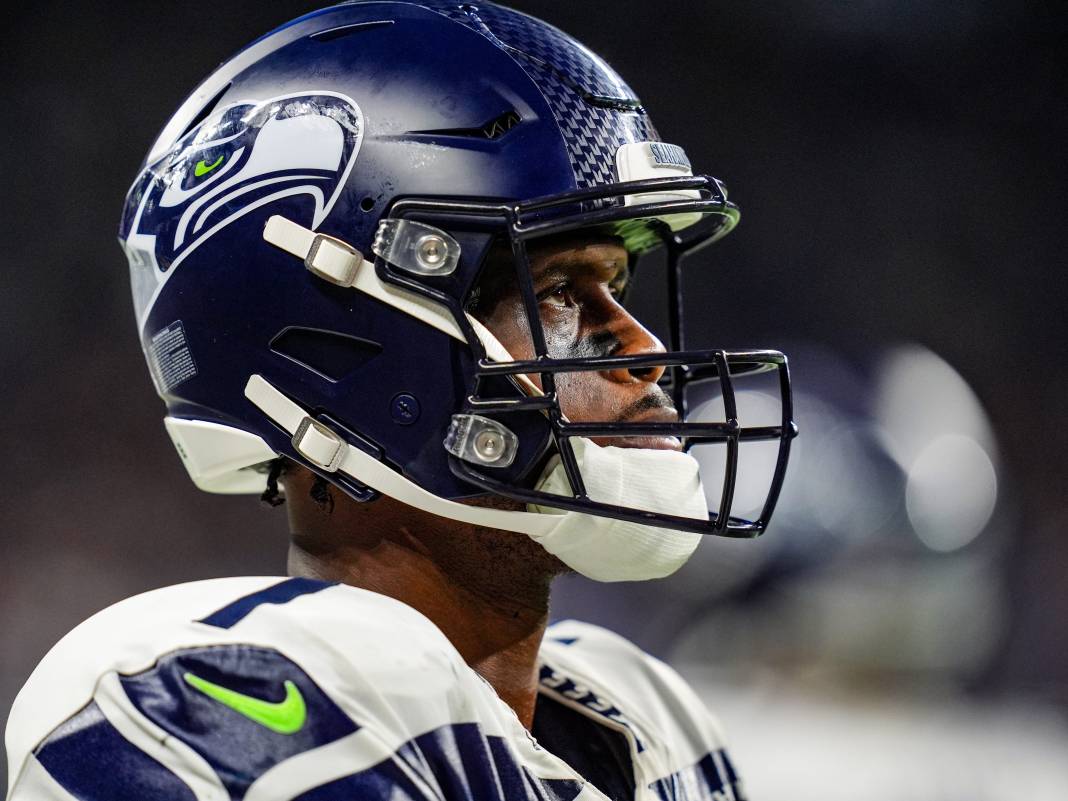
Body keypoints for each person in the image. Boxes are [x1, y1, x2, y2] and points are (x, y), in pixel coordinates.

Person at [4, 2, 795, 799]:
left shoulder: (654, 726)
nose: (644, 349)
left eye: (616, 285)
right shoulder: (202, 698)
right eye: (558, 289)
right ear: (343, 351)